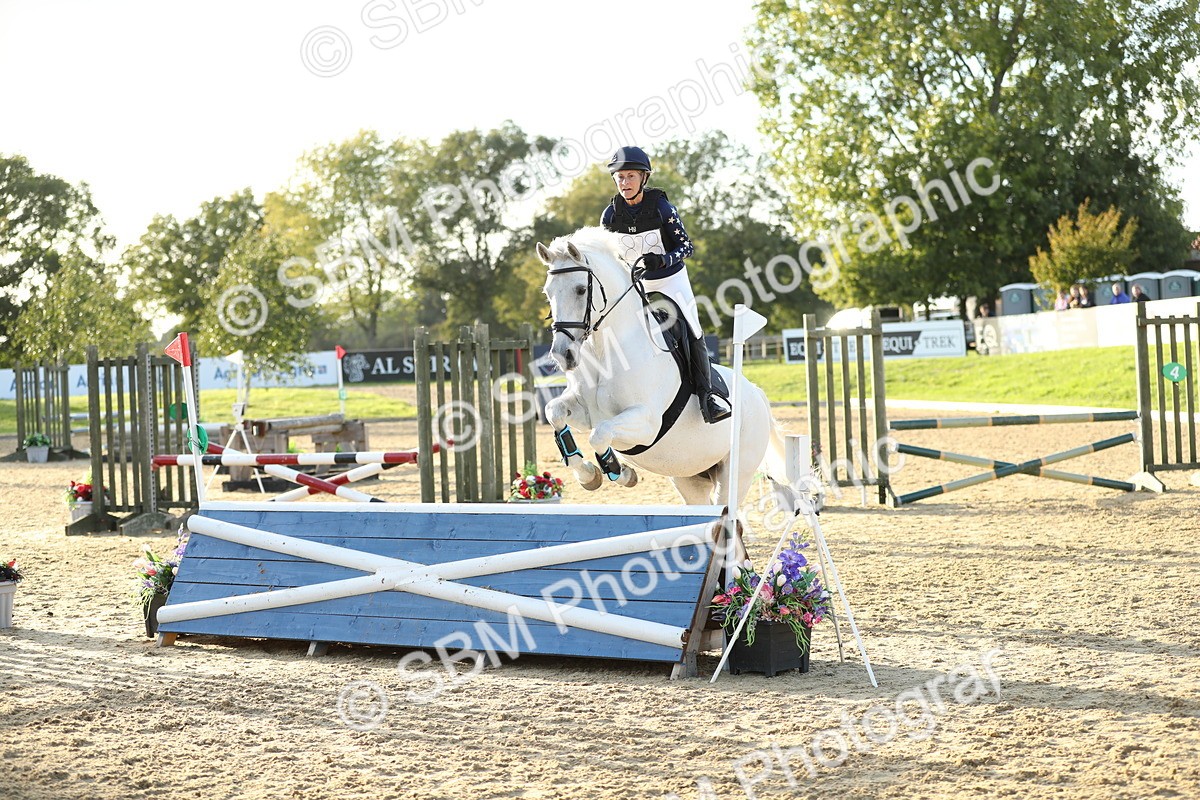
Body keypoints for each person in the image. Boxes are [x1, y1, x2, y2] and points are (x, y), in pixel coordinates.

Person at [600, 146, 731, 424]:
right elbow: (607, 257)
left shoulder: (661, 207)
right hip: (635, 285)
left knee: (691, 327)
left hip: (671, 280)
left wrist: (663, 259)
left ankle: (708, 398)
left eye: (630, 176)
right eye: (620, 178)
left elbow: (687, 246)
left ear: (643, 178)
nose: (625, 183)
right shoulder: (609, 216)